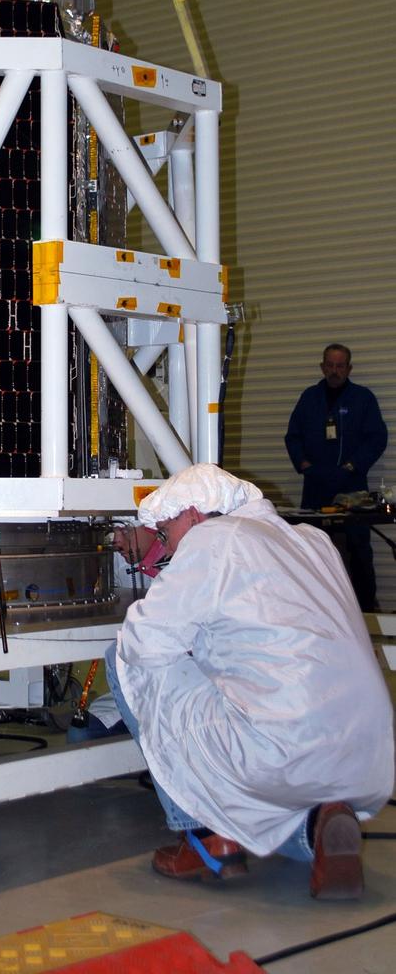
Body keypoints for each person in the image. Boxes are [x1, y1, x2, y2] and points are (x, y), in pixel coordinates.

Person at [104, 463, 393, 900]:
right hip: (367, 749)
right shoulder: (311, 540)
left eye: (165, 533)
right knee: (269, 762)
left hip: (280, 745)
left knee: (123, 656)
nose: (166, 546)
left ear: (195, 515)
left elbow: (145, 642)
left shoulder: (211, 541)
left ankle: (201, 835)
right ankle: (318, 829)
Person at [285, 343, 387, 610]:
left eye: (339, 366)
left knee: (358, 551)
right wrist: (305, 465)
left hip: (351, 488)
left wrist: (353, 466)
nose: (334, 371)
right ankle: (317, 611)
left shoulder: (362, 399)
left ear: (348, 368)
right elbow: (292, 436)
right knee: (313, 550)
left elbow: (377, 438)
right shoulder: (309, 398)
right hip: (315, 486)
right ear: (322, 367)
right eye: (329, 365)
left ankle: (366, 611)